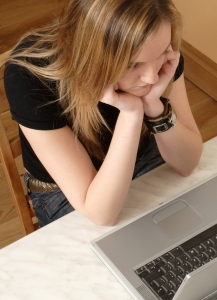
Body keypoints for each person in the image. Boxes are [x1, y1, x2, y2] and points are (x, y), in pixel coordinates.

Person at [3, 0, 203, 227]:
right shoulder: (29, 75)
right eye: (132, 65)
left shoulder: (162, 59)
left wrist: (153, 105)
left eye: (161, 52)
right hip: (64, 189)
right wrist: (131, 114)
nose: (152, 78)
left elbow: (188, 164)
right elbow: (101, 214)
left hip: (140, 153)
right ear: (92, 58)